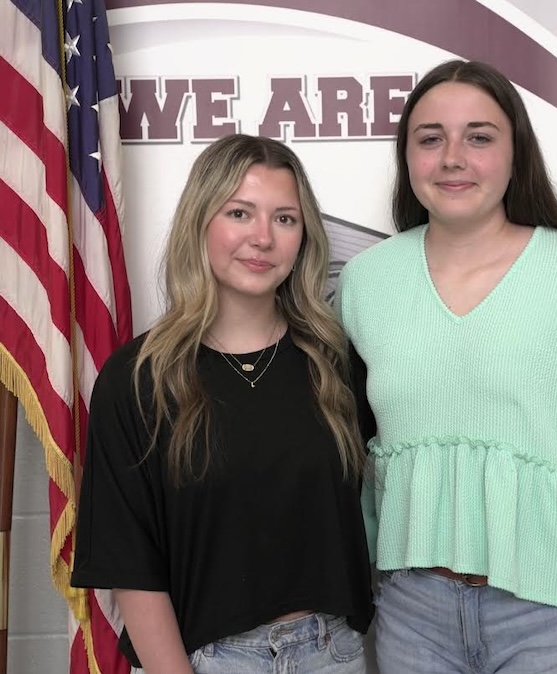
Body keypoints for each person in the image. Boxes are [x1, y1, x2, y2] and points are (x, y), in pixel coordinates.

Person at [336, 59, 557, 674]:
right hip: (414, 618)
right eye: (431, 139)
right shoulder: (365, 282)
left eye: (479, 137)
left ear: (514, 151)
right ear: (407, 157)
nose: (453, 158)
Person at [71, 134, 374, 673]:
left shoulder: (338, 364)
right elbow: (130, 564)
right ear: (200, 222)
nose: (263, 238)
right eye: (240, 213)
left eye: (285, 219)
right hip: (209, 659)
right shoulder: (139, 378)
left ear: (303, 237)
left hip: (333, 653)